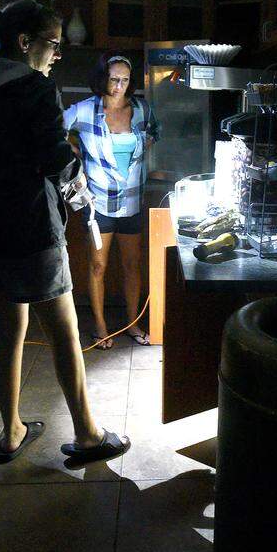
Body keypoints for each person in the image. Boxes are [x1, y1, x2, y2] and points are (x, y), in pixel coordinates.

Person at [0, 0, 130, 464]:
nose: (57, 54)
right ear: (25, 43)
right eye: (53, 44)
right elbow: (55, 158)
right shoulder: (35, 88)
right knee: (65, 330)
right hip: (28, 230)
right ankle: (89, 435)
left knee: (9, 329)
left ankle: (11, 433)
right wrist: (80, 192)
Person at [63, 54, 159, 349]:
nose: (119, 86)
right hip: (98, 203)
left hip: (132, 202)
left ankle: (132, 324)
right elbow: (54, 131)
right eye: (113, 79)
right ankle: (100, 326)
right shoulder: (85, 110)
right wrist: (76, 153)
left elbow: (154, 133)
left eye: (125, 80)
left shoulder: (142, 109)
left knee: (132, 265)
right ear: (103, 78)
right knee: (97, 266)